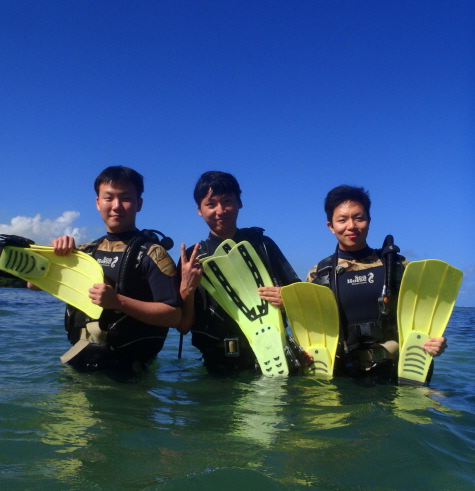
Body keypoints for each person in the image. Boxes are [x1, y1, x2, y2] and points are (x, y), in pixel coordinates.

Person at [29, 166, 181, 373]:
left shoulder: (154, 254)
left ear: (139, 204)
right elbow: (33, 285)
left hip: (131, 375)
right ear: (97, 202)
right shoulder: (84, 252)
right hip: (79, 366)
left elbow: (174, 316)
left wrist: (118, 301)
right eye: (108, 198)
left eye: (125, 198)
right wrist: (53, 256)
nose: (116, 206)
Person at [305, 185, 447, 380]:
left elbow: (426, 316)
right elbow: (310, 328)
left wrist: (435, 343)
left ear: (369, 221)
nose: (351, 226)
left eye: (359, 218)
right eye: (342, 220)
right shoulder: (319, 274)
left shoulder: (397, 266)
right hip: (344, 375)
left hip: (398, 372)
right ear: (331, 226)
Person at [177, 171, 300, 372]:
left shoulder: (263, 246)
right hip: (215, 365)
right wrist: (187, 290)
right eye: (211, 204)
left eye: (227, 201)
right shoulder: (192, 258)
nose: (220, 210)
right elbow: (183, 327)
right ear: (199, 209)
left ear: (239, 203)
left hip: (271, 358)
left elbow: (300, 297)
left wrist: (288, 297)